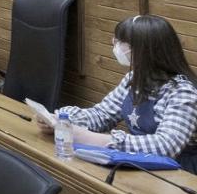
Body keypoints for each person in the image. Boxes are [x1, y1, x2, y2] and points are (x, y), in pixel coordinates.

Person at [39, 14, 197, 171]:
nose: (115, 45)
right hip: (139, 162)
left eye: (121, 41)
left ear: (143, 50)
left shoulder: (182, 93)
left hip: (179, 173)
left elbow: (165, 146)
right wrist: (62, 119)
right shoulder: (134, 78)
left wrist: (93, 138)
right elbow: (102, 115)